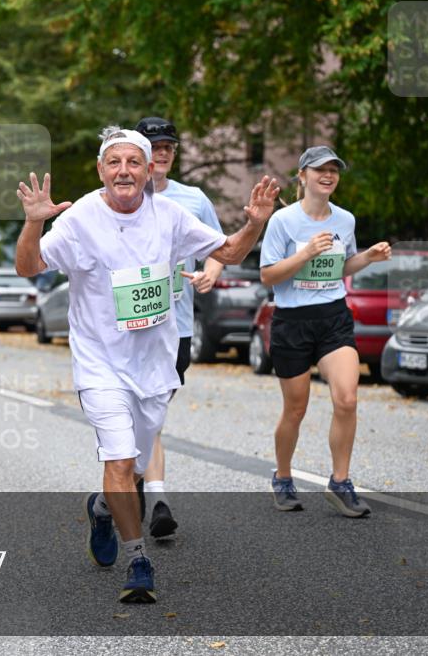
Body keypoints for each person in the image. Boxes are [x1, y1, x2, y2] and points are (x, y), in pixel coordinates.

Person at [14, 126, 279, 604]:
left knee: (133, 465)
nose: (124, 170)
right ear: (101, 170)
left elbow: (230, 252)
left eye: (134, 162)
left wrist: (255, 222)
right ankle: (138, 559)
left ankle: (100, 509)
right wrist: (34, 222)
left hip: (155, 365)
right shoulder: (80, 220)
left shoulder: (171, 216)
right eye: (114, 162)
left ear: (149, 169)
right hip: (100, 364)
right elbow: (29, 267)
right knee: (117, 460)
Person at [260, 146, 391, 517]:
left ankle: (340, 481)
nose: (328, 175)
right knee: (296, 408)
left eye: (334, 170)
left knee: (347, 399)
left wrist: (368, 258)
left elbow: (342, 267)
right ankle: (283, 477)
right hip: (292, 321)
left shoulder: (345, 220)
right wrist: (304, 255)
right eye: (319, 169)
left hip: (333, 317)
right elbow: (267, 275)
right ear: (302, 176)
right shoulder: (283, 222)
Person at [132, 117, 225, 540]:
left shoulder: (193, 199)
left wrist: (211, 273)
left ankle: (143, 488)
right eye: (156, 144)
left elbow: (219, 249)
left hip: (176, 327)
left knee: (151, 414)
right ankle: (151, 491)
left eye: (169, 144)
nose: (164, 151)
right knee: (140, 414)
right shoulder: (118, 196)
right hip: (126, 327)